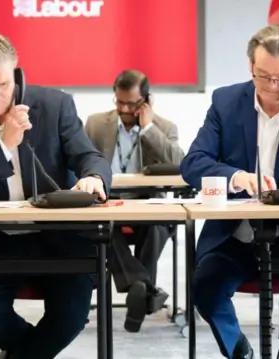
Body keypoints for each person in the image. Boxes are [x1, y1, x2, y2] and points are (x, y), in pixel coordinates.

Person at [0, 31, 112, 359]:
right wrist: (4, 144)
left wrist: (93, 177)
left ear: (16, 75)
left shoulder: (54, 105)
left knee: (72, 314)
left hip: (59, 237)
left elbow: (89, 157)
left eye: (4, 85)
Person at [180, 24, 279, 359]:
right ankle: (239, 350)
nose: (271, 87)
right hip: (235, 234)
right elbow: (193, 163)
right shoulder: (225, 102)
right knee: (205, 285)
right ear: (250, 66)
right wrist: (237, 177)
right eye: (263, 75)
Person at [85, 69, 185, 332]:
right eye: (119, 101)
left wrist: (148, 128)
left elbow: (179, 164)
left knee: (157, 226)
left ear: (146, 101)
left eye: (131, 103)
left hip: (147, 200)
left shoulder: (163, 127)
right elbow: (81, 161)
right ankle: (145, 289)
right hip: (107, 201)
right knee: (102, 227)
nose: (124, 108)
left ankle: (140, 290)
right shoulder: (96, 124)